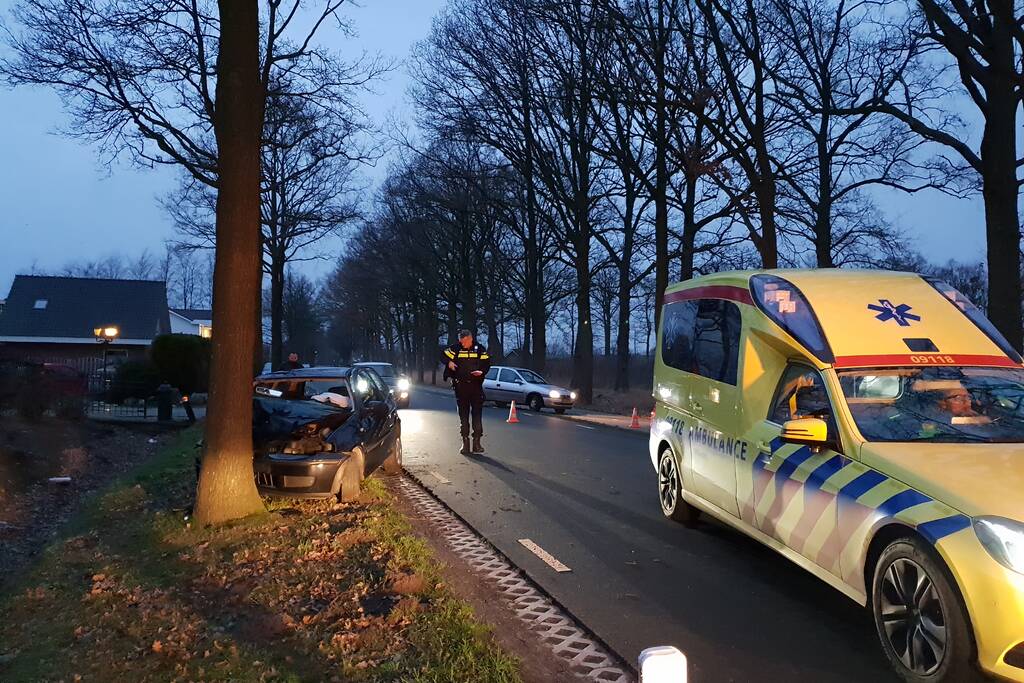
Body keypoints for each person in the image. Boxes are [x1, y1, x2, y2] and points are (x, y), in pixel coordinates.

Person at [441, 329, 491, 455]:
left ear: (470, 338)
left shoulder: (479, 349)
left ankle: (477, 443)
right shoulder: (455, 348)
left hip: (476, 386)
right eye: (461, 341)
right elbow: (442, 355)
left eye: (464, 342)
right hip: (460, 387)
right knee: (463, 416)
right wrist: (449, 362)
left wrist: (482, 372)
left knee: (477, 415)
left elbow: (487, 363)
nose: (462, 344)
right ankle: (465, 443)